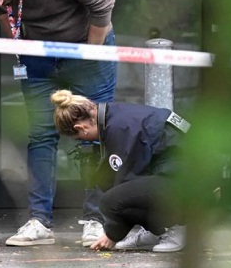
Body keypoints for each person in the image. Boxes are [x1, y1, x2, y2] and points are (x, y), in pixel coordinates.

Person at [0, 0, 117, 247]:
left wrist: (91, 52)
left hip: (85, 50)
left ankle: (95, 219)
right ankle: (39, 221)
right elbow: (3, 13)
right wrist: (20, 48)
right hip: (39, 58)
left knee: (94, 132)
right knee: (40, 135)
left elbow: (104, 1)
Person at [50, 89, 186, 252]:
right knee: (105, 179)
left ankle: (178, 227)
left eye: (79, 138)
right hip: (179, 171)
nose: (82, 141)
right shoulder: (114, 115)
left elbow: (128, 183)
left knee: (110, 201)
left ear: (82, 127)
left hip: (190, 179)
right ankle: (156, 230)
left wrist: (112, 234)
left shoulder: (119, 128)